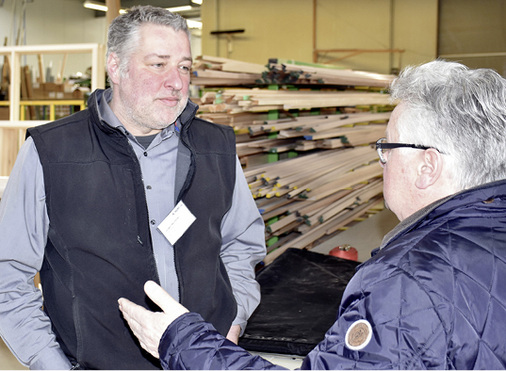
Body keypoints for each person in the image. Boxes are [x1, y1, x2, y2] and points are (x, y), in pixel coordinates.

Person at [118, 60, 506, 370]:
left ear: (427, 165)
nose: (382, 161)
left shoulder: (410, 284)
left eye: (388, 147)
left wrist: (182, 342)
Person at [0, 5, 266, 370]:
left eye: (185, 67)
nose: (176, 82)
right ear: (116, 66)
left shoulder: (215, 146)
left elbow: (242, 243)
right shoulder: (52, 152)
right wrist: (51, 364)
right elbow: (8, 277)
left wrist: (233, 321)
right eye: (158, 64)